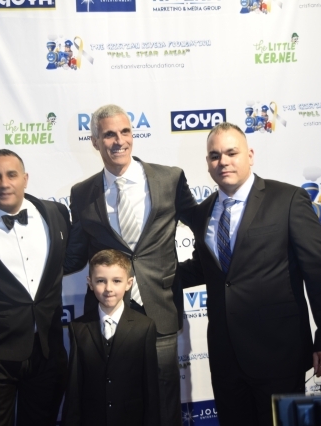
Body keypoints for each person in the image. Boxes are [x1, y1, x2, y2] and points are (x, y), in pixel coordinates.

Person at [180, 122, 321, 426]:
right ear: (208, 163)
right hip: (225, 358)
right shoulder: (203, 212)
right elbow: (205, 269)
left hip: (278, 354)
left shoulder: (288, 199)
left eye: (232, 152)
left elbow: (319, 272)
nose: (223, 161)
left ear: (250, 155)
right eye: (215, 156)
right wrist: (147, 276)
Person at [64, 104, 196, 425]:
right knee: (112, 404)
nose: (119, 141)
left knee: (164, 404)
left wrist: (183, 275)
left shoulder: (169, 178)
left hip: (160, 310)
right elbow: (75, 255)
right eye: (109, 134)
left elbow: (203, 227)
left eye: (125, 132)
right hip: (108, 317)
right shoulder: (82, 193)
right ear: (95, 141)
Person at [0, 149, 71, 426]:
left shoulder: (56, 213)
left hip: (47, 349)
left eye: (11, 175)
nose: (4, 183)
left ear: (25, 178)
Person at [63, 249, 160, 426]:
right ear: (90, 283)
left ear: (129, 283)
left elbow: (151, 387)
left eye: (116, 281)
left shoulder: (144, 327)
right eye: (101, 281)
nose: (108, 288)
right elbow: (74, 387)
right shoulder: (78, 328)